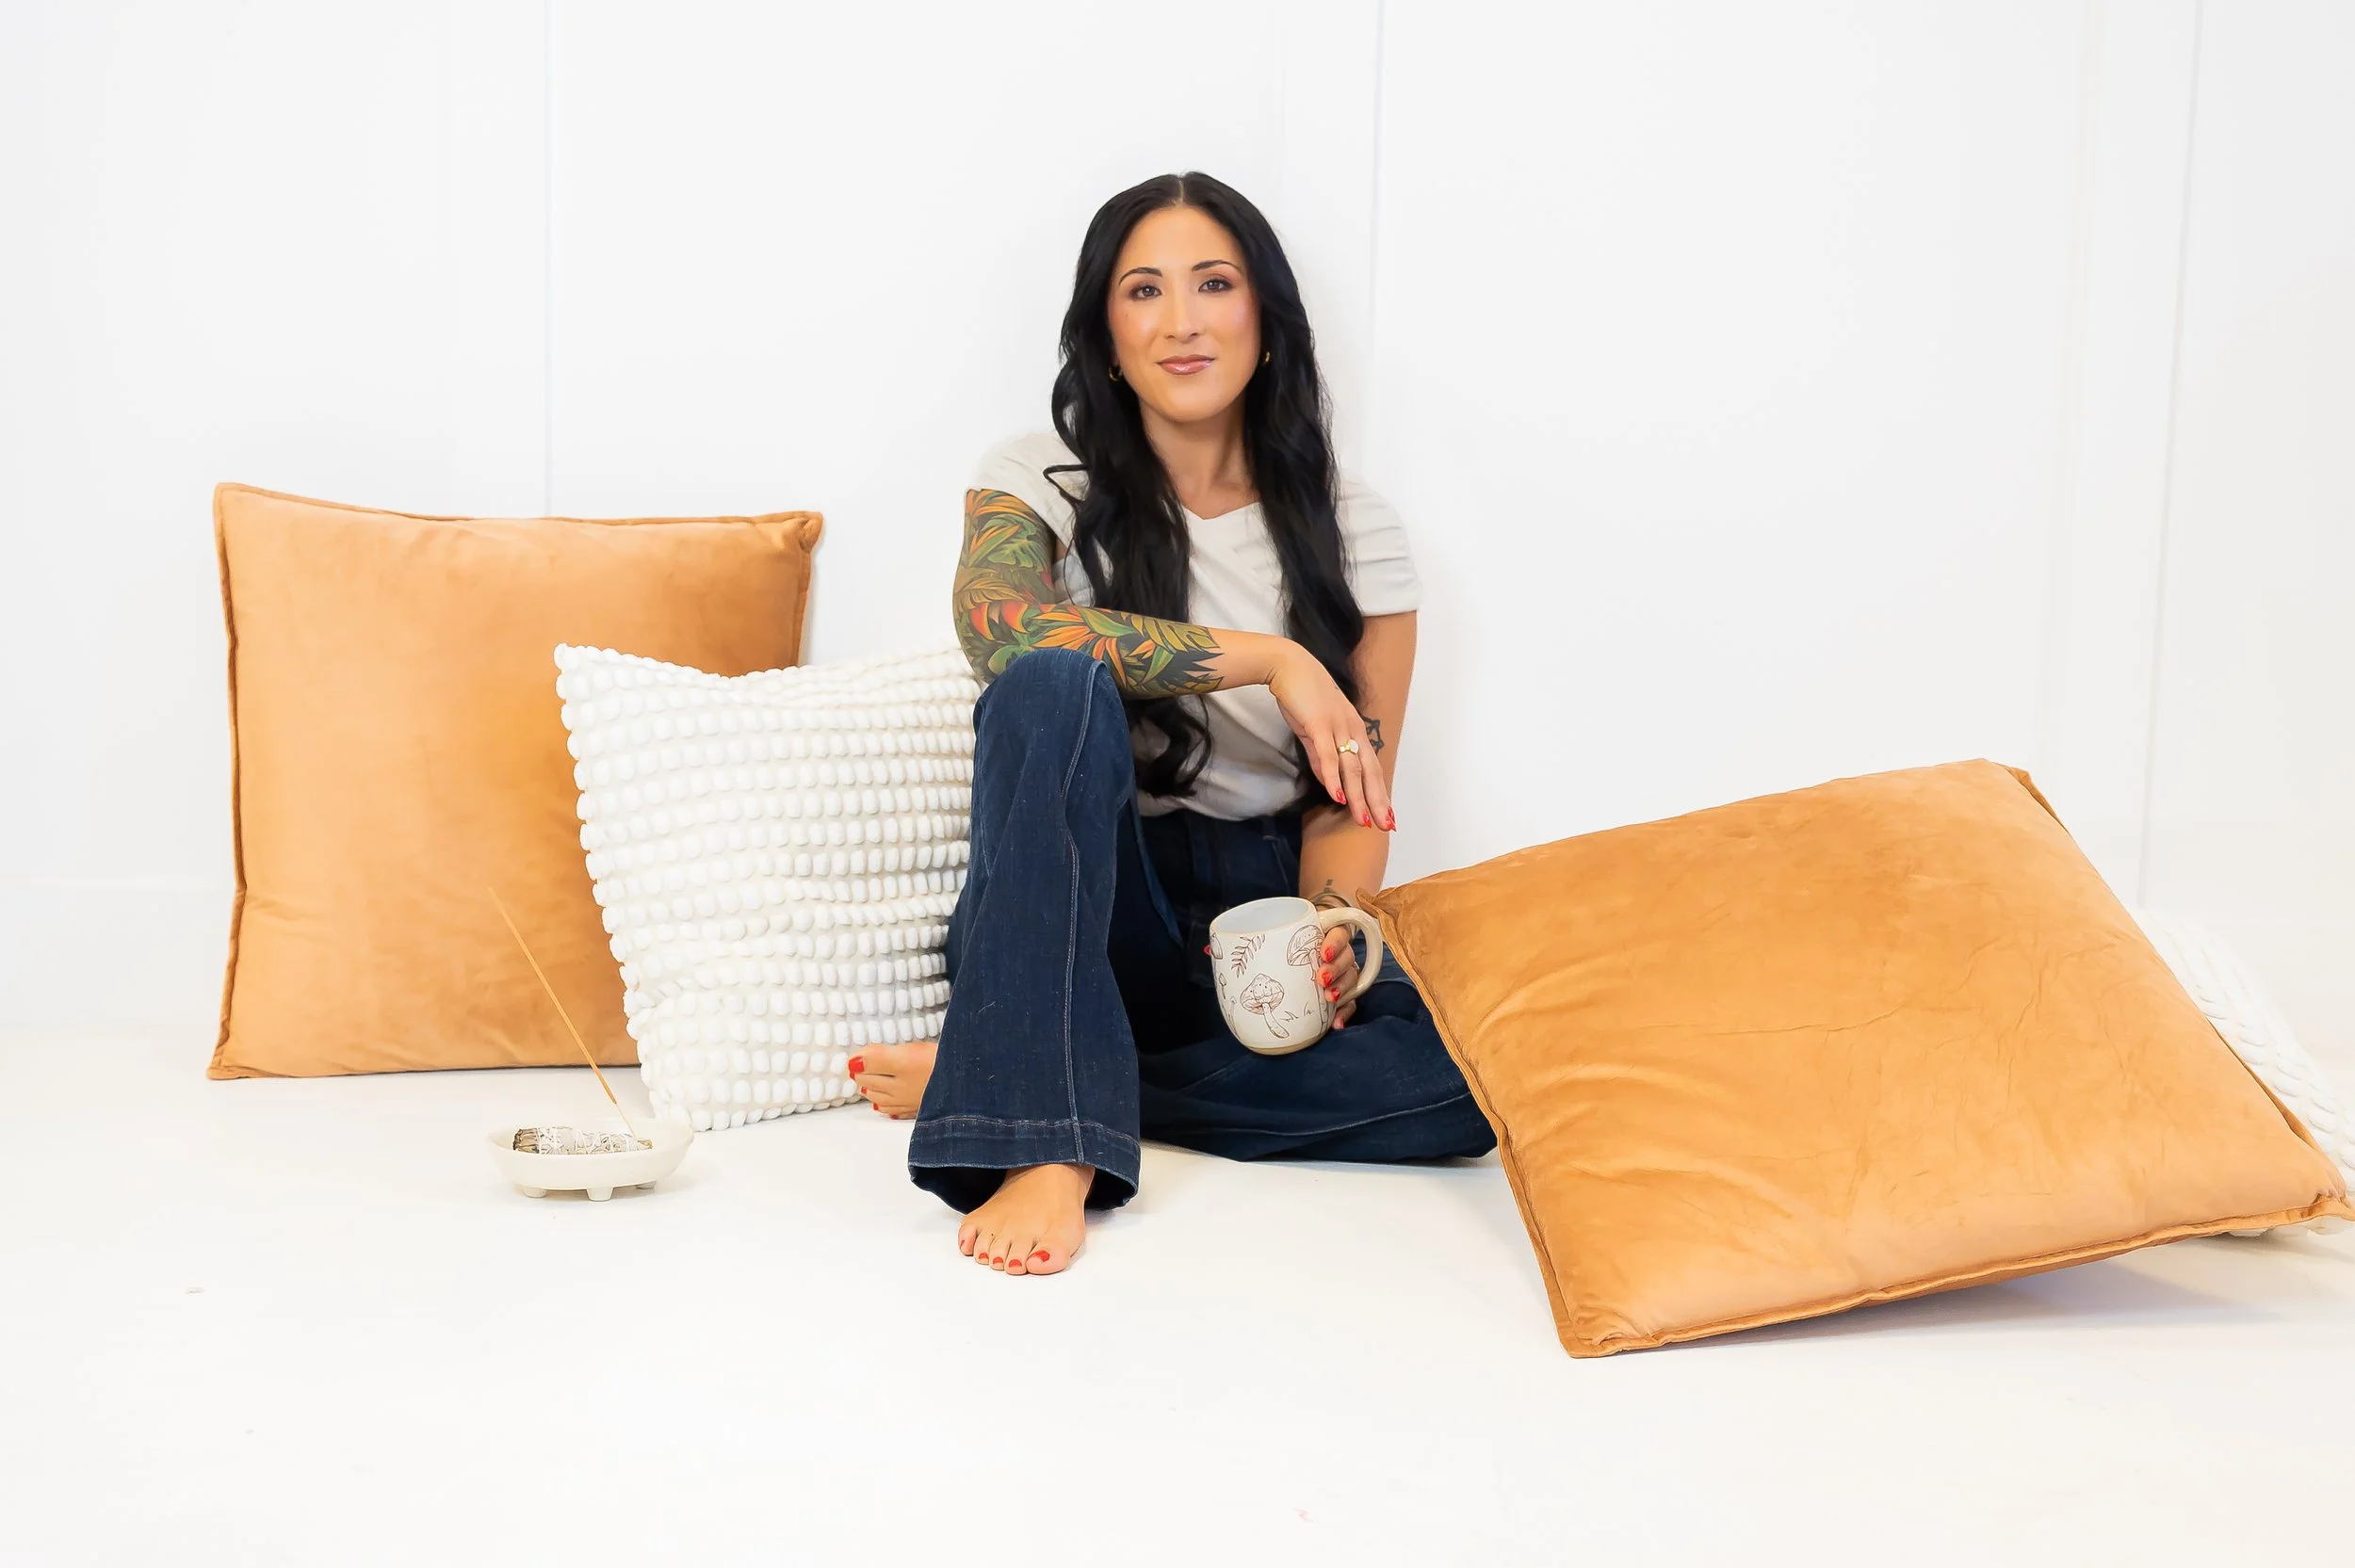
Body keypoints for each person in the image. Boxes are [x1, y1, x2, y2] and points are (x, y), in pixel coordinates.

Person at [846, 170, 1494, 1275]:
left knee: (1462, 1087)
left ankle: (1015, 1075)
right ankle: (1044, 1145)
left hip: (1252, 913)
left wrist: (1338, 932)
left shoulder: (1358, 534)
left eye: (1213, 285)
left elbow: (1354, 791)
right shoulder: (1037, 478)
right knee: (1048, 679)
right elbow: (999, 631)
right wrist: (1271, 659)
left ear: (1266, 321)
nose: (1182, 322)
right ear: (1105, 332)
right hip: (1082, 892)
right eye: (1144, 290)